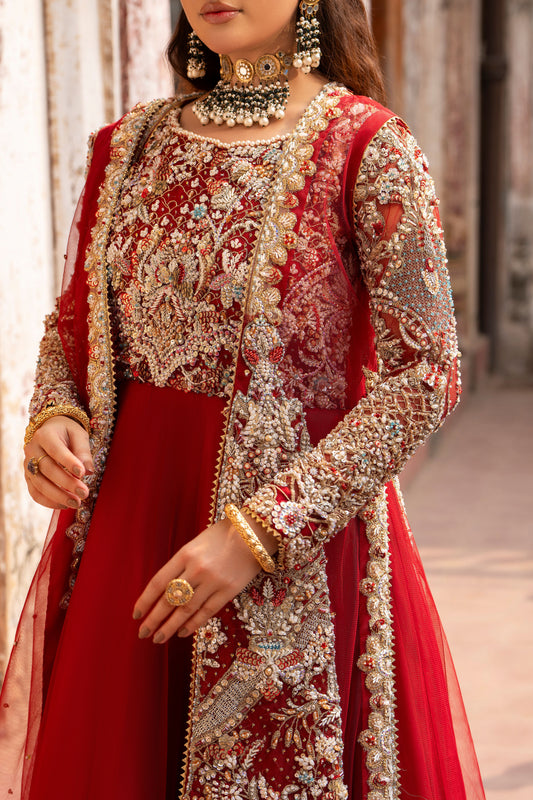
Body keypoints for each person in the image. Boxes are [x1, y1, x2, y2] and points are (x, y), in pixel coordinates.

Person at [0, 1, 486, 798]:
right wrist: (54, 416)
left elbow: (425, 374)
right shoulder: (128, 147)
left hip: (296, 543)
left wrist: (256, 533)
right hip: (132, 535)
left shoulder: (366, 148)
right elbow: (76, 330)